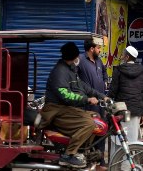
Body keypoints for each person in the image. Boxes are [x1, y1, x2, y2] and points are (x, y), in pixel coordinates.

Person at [41, 41, 103, 169]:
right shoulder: (60, 72)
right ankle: (69, 155)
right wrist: (87, 100)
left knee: (96, 117)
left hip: (65, 109)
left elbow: (84, 87)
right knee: (89, 123)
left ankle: (82, 150)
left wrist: (101, 96)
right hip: (55, 111)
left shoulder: (71, 70)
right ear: (74, 57)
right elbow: (66, 95)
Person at [109, 46, 143, 148]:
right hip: (136, 110)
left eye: (123, 54)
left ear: (127, 57)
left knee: (119, 138)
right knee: (132, 138)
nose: (122, 56)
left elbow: (113, 92)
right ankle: (128, 163)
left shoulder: (118, 70)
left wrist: (108, 102)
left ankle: (117, 162)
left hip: (121, 111)